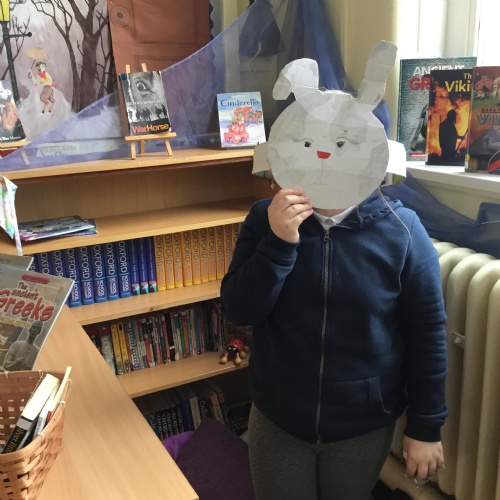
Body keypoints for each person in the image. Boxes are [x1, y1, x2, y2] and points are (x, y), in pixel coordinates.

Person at [220, 45, 447, 500]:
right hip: (279, 418)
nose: (324, 155)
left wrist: (425, 426)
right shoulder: (264, 219)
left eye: (341, 146)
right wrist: (278, 245)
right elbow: (239, 308)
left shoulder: (404, 232)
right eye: (310, 145)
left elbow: (427, 334)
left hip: (361, 424)